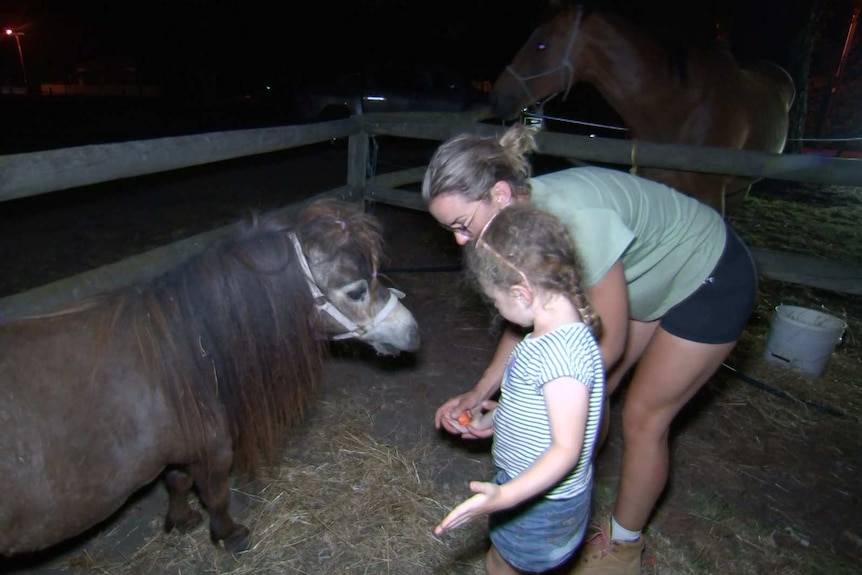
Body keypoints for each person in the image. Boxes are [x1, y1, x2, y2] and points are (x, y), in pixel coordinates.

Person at [422, 124, 758, 575]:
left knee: (642, 416)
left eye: (462, 225)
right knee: (589, 404)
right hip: (647, 278)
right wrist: (482, 392)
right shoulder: (519, 230)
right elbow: (540, 318)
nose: (461, 241)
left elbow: (601, 345)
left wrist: (519, 409)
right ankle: (566, 499)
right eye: (451, 231)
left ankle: (624, 547)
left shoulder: (574, 220)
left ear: (500, 194)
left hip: (707, 275)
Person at [433, 202, 605, 574]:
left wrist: (505, 496)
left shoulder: (562, 357)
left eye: (495, 300)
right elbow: (550, 414)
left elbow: (566, 449)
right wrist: (502, 417)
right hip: (534, 492)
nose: (497, 309)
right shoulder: (552, 335)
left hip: (541, 504)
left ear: (522, 292)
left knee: (502, 565)